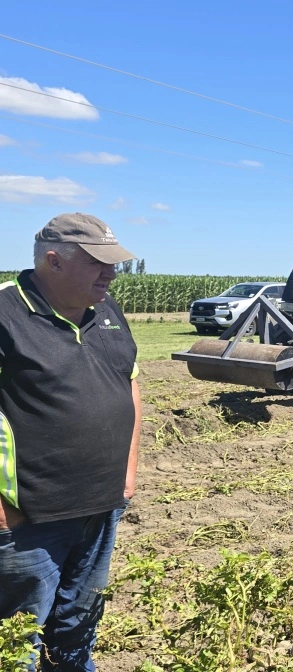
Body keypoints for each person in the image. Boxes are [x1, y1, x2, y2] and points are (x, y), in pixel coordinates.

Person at [0, 213, 142, 671]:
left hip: (102, 506)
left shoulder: (108, 311)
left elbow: (130, 384)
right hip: (28, 519)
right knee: (15, 641)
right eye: (98, 262)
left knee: (78, 629)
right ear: (53, 261)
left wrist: (128, 476)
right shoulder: (5, 314)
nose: (111, 273)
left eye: (114, 263)